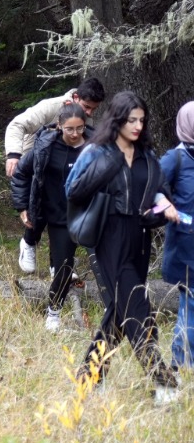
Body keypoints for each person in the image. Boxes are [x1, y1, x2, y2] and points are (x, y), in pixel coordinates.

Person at [66, 90, 179, 400]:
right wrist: (112, 160)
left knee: (119, 311)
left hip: (140, 237)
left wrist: (163, 205)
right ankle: (163, 382)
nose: (138, 126)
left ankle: (89, 378)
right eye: (131, 120)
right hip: (109, 236)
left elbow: (159, 190)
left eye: (142, 120)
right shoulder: (97, 152)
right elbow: (72, 189)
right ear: (117, 119)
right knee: (137, 307)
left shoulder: (148, 155)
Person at [6, 77, 107, 272]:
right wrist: (13, 154)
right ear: (76, 97)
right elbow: (16, 125)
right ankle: (28, 243)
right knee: (39, 208)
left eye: (93, 110)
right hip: (35, 161)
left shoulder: (85, 119)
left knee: (62, 210)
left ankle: (57, 265)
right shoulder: (51, 106)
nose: (89, 113)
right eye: (86, 107)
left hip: (62, 163)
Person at [12, 103, 91, 330]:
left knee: (102, 263)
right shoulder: (45, 146)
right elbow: (21, 174)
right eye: (70, 129)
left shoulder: (94, 147)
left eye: (80, 128)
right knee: (64, 267)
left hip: (89, 216)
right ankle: (53, 314)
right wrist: (22, 206)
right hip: (58, 217)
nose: (76, 134)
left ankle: (113, 312)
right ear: (59, 127)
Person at [160, 101, 194, 370]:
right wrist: (171, 209)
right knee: (191, 308)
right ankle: (181, 366)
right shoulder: (176, 158)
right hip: (187, 247)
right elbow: (152, 190)